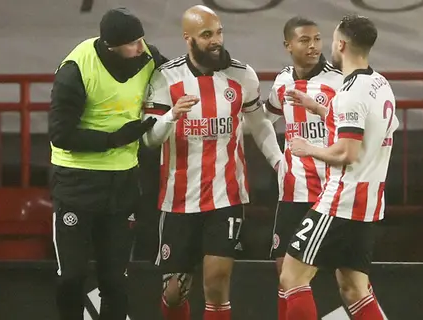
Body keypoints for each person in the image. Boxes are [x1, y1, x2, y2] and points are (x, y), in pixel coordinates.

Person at [141, 5, 283, 320]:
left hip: (226, 196)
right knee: (175, 292)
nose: (216, 40)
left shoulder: (242, 75)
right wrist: (170, 116)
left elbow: (259, 124)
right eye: (207, 35)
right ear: (188, 38)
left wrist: (279, 162)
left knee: (217, 283)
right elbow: (149, 139)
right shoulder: (166, 77)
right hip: (178, 201)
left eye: (219, 32)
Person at [48, 7, 168, 320]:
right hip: (76, 182)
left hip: (122, 183)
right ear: (111, 45)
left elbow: (182, 74)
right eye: (133, 43)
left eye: (143, 39)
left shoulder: (148, 57)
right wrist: (116, 139)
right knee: (71, 277)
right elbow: (61, 135)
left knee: (116, 280)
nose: (142, 48)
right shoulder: (76, 68)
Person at [278, 14, 397, 320]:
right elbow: (378, 129)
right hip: (370, 202)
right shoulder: (380, 83)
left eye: (329, 39)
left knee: (292, 276)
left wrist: (308, 149)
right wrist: (318, 107)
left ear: (341, 44)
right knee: (354, 288)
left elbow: (347, 153)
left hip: (341, 200)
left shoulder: (348, 94)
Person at [264, 17, 343, 315]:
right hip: (293, 191)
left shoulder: (339, 81)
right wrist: (275, 158)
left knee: (347, 280)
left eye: (317, 39)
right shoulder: (283, 81)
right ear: (288, 45)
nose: (313, 46)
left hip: (331, 192)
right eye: (304, 40)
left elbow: (353, 129)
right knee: (285, 274)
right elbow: (263, 120)